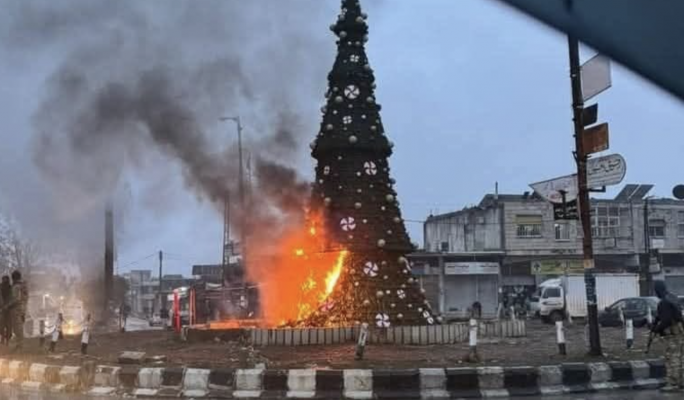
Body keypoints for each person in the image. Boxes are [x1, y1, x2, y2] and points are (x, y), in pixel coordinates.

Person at [652, 280, 684, 392]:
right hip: (679, 331)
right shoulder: (673, 298)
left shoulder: (664, 302)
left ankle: (673, 383)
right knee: (679, 357)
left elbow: (665, 320)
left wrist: (656, 329)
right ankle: (680, 383)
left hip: (672, 332)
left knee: (672, 358)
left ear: (658, 290)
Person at [9, 270, 28, 351]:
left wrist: (8, 306)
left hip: (16, 308)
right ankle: (20, 345)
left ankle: (20, 346)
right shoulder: (23, 285)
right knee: (19, 327)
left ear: (13, 277)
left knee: (17, 328)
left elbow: (16, 299)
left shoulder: (16, 286)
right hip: (23, 308)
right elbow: (26, 297)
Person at [0, 276, 12, 345]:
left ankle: (7, 340)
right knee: (1, 325)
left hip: (9, 309)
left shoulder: (11, 288)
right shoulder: (0, 287)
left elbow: (12, 298)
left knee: (8, 326)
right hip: (2, 309)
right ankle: (2, 339)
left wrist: (7, 305)